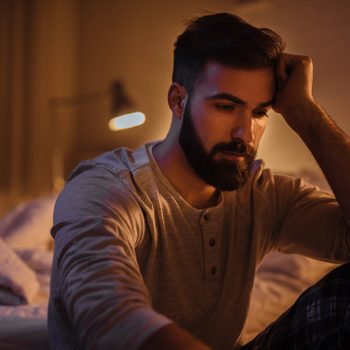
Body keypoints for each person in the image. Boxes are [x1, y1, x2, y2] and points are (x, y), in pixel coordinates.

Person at [48, 12, 350, 350]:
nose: (245, 133)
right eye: (225, 106)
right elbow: (110, 316)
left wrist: (306, 115)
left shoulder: (262, 194)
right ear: (178, 100)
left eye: (259, 112)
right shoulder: (107, 189)